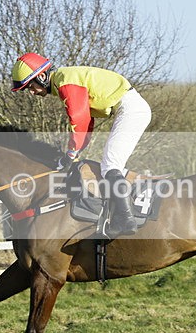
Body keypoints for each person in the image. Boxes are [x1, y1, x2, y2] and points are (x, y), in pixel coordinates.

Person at [11, 52, 151, 236]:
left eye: (31, 86)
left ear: (42, 76)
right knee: (108, 164)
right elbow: (86, 121)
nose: (32, 92)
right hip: (129, 108)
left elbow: (79, 118)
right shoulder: (64, 80)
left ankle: (125, 219)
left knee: (110, 165)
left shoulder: (65, 82)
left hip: (130, 109)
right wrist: (75, 152)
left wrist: (71, 153)